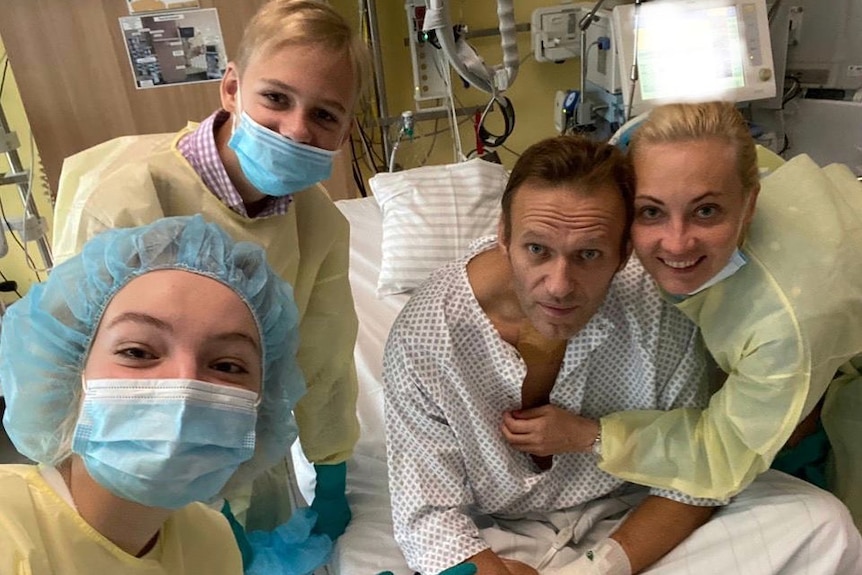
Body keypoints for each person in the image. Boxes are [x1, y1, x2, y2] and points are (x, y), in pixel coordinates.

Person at [382, 135, 861, 575]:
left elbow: (696, 472)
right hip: (500, 533)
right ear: (504, 234)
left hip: (635, 514)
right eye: (537, 249)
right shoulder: (427, 338)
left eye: (589, 254)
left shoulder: (656, 304)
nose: (560, 285)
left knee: (823, 524)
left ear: (623, 252)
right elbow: (429, 516)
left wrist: (600, 568)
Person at [51, 0, 369, 537]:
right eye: (275, 98)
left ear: (344, 130)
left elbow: (325, 355)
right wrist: (189, 500)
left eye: (325, 114)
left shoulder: (318, 224)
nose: (295, 130)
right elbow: (75, 365)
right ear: (231, 89)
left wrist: (331, 468)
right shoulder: (127, 198)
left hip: (244, 447)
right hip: (124, 457)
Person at [559, 101, 862, 531]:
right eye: (651, 211)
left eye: (706, 211)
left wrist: (588, 435)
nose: (677, 243)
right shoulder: (683, 148)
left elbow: (722, 457)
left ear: (749, 203)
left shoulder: (785, 326)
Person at [0, 215, 323, 573]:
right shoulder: (9, 533)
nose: (183, 386)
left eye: (228, 366)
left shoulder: (213, 543)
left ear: (264, 404)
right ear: (70, 371)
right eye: (137, 352)